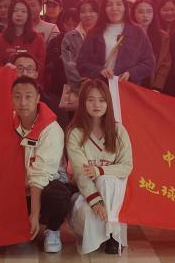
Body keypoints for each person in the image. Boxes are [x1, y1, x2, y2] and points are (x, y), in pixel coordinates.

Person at [66, 78, 132, 255]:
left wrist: (100, 170)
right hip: (85, 194)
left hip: (114, 195)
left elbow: (126, 167)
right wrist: (96, 201)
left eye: (102, 100)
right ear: (83, 102)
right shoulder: (75, 132)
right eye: (91, 100)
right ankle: (104, 234)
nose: (97, 105)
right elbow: (80, 173)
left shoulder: (118, 131)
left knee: (107, 181)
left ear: (108, 103)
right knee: (89, 213)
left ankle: (113, 236)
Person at [12, 75, 70, 254]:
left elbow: (40, 175)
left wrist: (34, 214)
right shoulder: (7, 122)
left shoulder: (51, 130)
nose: (23, 102)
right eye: (17, 97)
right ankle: (16, 226)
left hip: (45, 188)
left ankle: (52, 230)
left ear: (38, 98)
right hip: (18, 189)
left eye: (28, 96)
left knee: (59, 195)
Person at [77, 0, 155, 87]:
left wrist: (130, 73)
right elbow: (81, 63)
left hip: (128, 87)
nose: (114, 8)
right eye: (109, 5)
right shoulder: (94, 33)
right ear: (104, 9)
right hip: (100, 88)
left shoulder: (137, 32)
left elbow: (149, 63)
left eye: (119, 4)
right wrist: (99, 70)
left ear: (125, 7)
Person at [61, 0, 98, 117]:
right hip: (78, 91)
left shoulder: (105, 35)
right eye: (83, 11)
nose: (87, 14)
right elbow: (69, 65)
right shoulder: (69, 37)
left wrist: (97, 84)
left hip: (101, 91)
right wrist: (85, 86)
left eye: (91, 10)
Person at [0, 0, 47, 75]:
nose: (19, 14)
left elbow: (40, 66)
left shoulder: (38, 39)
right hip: (7, 79)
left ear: (28, 15)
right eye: (15, 11)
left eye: (23, 11)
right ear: (10, 14)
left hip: (31, 81)